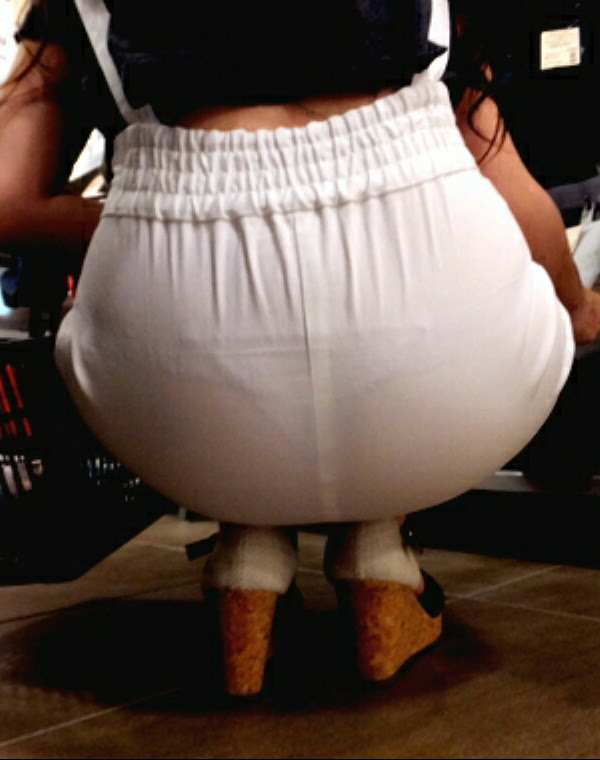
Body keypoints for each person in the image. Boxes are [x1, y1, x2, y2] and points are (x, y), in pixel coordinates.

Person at [0, 0, 595, 697]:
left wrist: (159, 215)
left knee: (175, 326)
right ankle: (379, 558)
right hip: (441, 375)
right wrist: (577, 309)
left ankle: (246, 563)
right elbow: (518, 199)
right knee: (451, 311)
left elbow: (8, 199)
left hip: (174, 400)